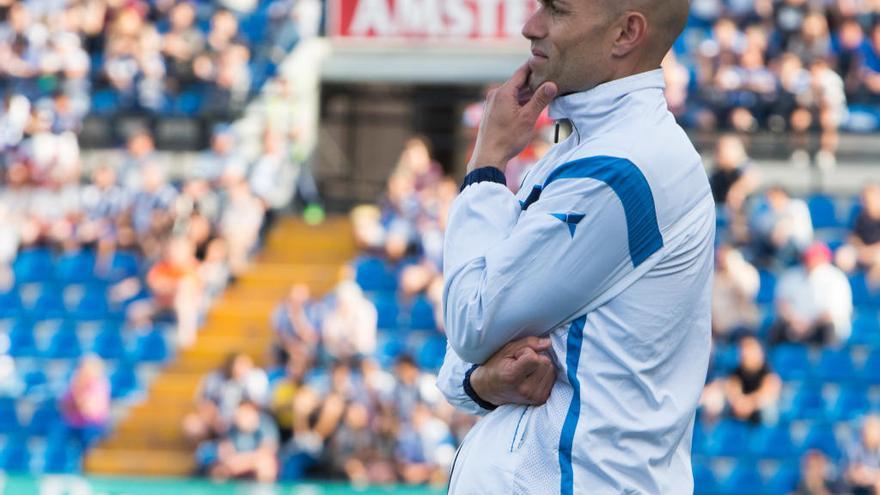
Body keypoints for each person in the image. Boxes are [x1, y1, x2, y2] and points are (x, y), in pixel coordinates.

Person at [436, 0, 714, 492]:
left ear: (626, 34)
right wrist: (480, 382)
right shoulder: (585, 153)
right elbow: (465, 353)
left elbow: (472, 319)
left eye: (556, 10)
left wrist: (486, 166)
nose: (530, 26)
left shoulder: (622, 169)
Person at [770, 242, 853, 345]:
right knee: (777, 328)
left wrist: (809, 325)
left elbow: (832, 313)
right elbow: (781, 304)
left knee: (829, 330)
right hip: (794, 325)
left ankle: (828, 359)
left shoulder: (836, 279)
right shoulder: (791, 275)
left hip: (821, 326)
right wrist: (795, 322)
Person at [723, 336, 781, 424]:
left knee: (769, 408)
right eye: (744, 351)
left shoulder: (768, 371)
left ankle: (766, 435)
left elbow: (769, 392)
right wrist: (740, 402)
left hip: (757, 410)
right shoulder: (736, 372)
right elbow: (733, 391)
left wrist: (749, 403)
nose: (747, 355)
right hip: (740, 409)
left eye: (751, 350)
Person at [844, 415, 880, 495]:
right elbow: (854, 474)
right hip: (857, 489)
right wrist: (873, 476)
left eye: (875, 429)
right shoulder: (854, 449)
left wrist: (870, 474)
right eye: (868, 429)